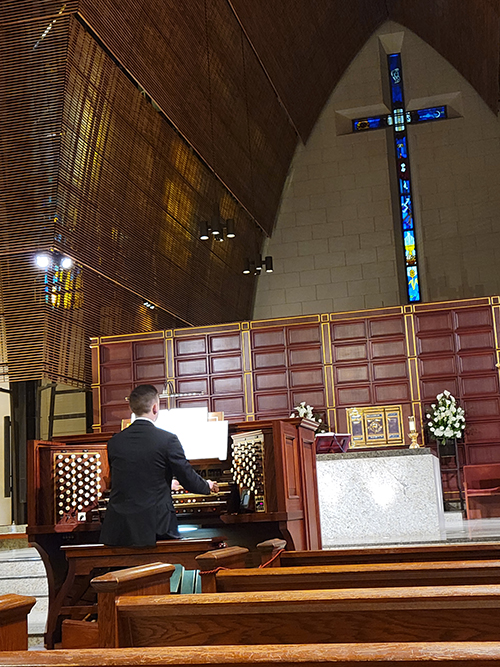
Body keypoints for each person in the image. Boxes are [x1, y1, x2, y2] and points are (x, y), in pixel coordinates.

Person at [100, 384, 219, 547]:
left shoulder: (115, 442)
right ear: (155, 408)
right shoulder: (167, 439)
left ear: (131, 408)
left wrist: (164, 482)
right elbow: (187, 478)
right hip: (155, 526)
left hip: (120, 527)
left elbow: (131, 475)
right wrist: (207, 485)